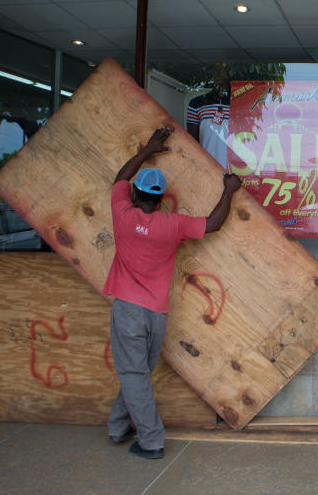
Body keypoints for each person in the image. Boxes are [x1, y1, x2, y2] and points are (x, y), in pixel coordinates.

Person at [103, 126, 241, 459]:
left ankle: (151, 441)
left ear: (135, 195)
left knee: (134, 374)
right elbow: (213, 224)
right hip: (157, 314)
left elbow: (119, 180)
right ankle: (118, 426)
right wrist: (230, 190)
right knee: (136, 373)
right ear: (161, 199)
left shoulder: (122, 215)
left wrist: (146, 151)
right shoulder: (173, 225)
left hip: (128, 312)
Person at [186, 61, 230, 168]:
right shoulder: (196, 103)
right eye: (215, 71)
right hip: (207, 166)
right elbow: (192, 141)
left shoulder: (240, 102)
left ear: (228, 74)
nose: (218, 75)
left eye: (221, 71)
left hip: (235, 168)